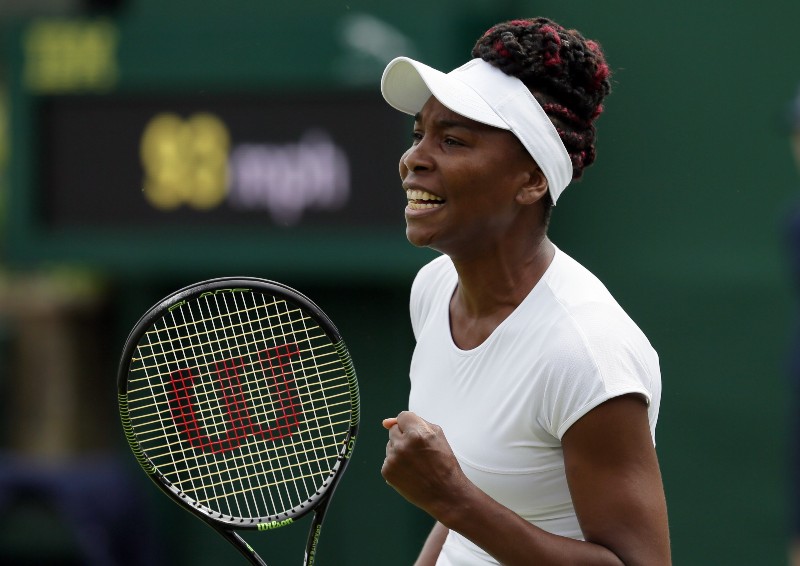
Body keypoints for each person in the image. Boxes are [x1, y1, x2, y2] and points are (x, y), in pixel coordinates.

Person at [379, 17, 671, 565]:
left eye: (453, 140)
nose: (415, 158)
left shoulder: (583, 353)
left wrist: (452, 496)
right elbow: (465, 520)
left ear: (533, 180)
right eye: (420, 133)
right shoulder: (434, 289)